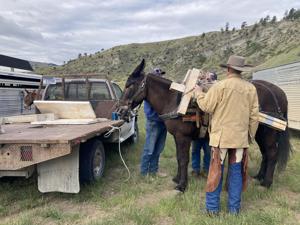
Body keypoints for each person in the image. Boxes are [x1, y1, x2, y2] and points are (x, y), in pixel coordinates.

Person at [194, 55, 259, 215]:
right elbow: (254, 116)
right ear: (241, 70)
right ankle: (234, 210)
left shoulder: (220, 86)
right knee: (236, 173)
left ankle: (212, 209)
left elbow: (207, 106)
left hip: (220, 138)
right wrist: (249, 136)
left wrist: (198, 93)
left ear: (228, 69)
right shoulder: (251, 88)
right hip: (240, 139)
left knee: (216, 171)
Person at [140, 68, 168, 177]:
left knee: (158, 148)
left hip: (163, 122)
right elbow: (149, 112)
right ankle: (144, 173)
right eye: (159, 75)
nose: (161, 77)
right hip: (154, 122)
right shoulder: (150, 92)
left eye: (161, 75)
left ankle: (153, 171)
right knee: (149, 148)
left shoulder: (162, 91)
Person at [191, 72, 218, 178]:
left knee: (208, 151)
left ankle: (207, 170)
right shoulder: (199, 88)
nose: (206, 80)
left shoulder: (216, 89)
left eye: (208, 78)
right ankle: (195, 170)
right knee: (195, 150)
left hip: (209, 130)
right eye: (205, 78)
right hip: (197, 128)